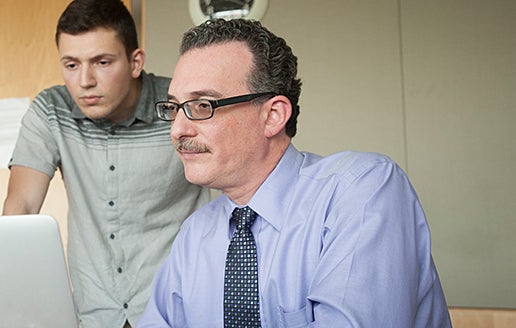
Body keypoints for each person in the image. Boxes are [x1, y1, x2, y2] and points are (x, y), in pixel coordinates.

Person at [138, 18, 452, 327]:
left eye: (203, 105)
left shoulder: (363, 189)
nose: (178, 129)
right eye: (173, 108)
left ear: (273, 115)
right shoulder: (195, 233)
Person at [2, 0, 210, 328]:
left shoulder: (179, 108)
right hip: (93, 314)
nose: (84, 81)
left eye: (102, 62)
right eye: (71, 65)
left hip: (179, 308)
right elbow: (21, 207)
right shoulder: (52, 111)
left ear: (135, 61)